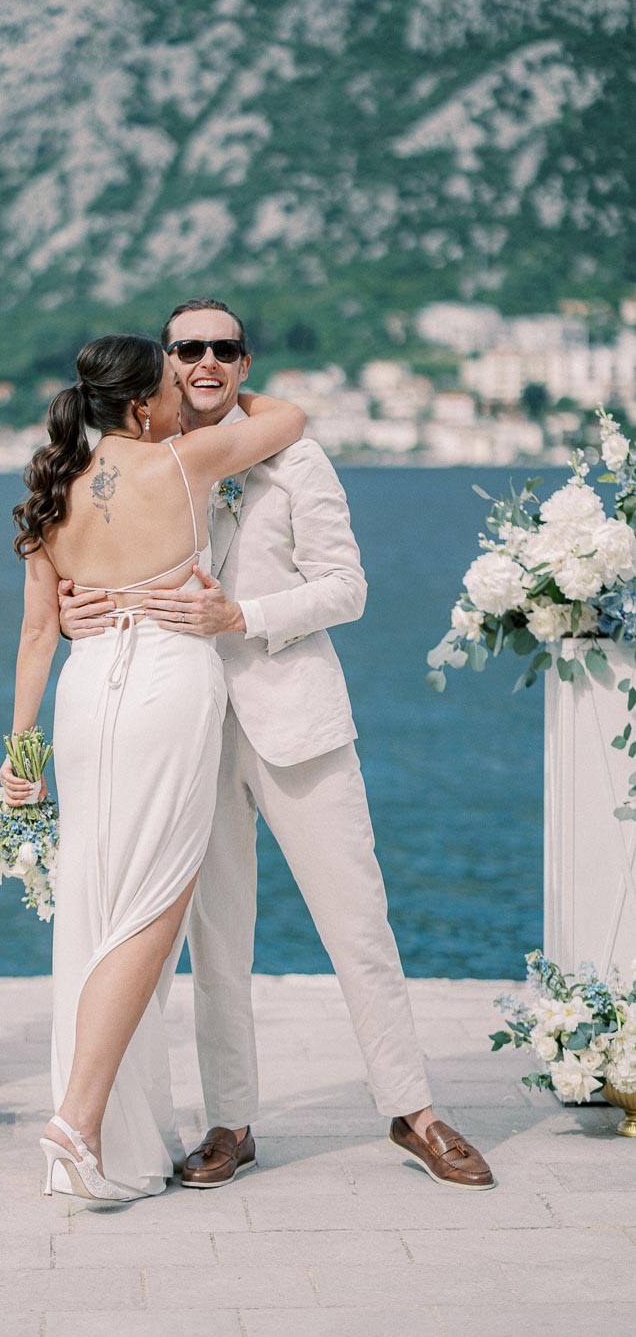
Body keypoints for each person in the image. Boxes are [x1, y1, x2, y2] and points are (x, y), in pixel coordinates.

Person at [59, 299, 495, 1192]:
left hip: (297, 722)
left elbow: (348, 587)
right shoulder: (143, 467)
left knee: (358, 924)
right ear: (165, 368)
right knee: (219, 945)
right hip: (188, 735)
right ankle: (230, 1123)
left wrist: (242, 615)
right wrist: (75, 616)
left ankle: (415, 1113)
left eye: (225, 347)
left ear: (245, 363)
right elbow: (92, 571)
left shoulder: (296, 457)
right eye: (189, 348)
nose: (207, 360)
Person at [1, 332, 305, 1202]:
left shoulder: (51, 481)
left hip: (86, 690)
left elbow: (34, 637)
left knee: (97, 906)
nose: (189, 394)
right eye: (173, 383)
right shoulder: (184, 461)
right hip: (168, 683)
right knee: (153, 907)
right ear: (142, 404)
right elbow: (291, 416)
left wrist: (22, 759)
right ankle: (80, 1120)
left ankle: (118, 1139)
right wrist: (224, 388)